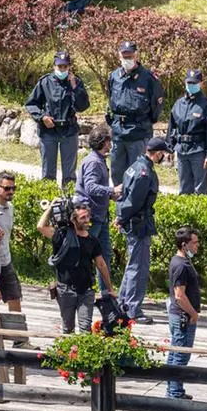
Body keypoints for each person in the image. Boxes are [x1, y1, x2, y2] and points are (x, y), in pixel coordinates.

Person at [37, 202, 116, 334]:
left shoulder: (92, 240)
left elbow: (101, 264)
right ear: (73, 220)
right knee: (68, 329)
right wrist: (51, 207)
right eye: (82, 218)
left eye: (87, 217)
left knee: (85, 330)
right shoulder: (62, 236)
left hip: (86, 291)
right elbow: (41, 226)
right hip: (65, 290)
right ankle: (67, 354)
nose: (87, 221)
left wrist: (110, 289)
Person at [114, 137, 166, 324]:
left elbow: (124, 195)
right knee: (139, 267)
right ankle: (133, 309)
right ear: (158, 153)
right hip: (139, 225)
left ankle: (123, 304)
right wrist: (121, 217)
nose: (163, 157)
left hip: (133, 223)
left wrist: (120, 216)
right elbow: (134, 201)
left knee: (132, 266)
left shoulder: (135, 166)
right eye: (163, 154)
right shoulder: (144, 173)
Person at [24, 51, 90, 186]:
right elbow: (31, 104)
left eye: (65, 66)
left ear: (69, 67)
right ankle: (48, 201)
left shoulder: (76, 82)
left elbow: (83, 106)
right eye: (60, 66)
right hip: (49, 131)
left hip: (69, 131)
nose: (62, 69)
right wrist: (42, 117)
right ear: (54, 66)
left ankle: (69, 203)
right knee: (48, 172)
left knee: (69, 175)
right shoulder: (44, 82)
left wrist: (75, 87)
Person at [0, 171, 36, 348]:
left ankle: (19, 340)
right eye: (7, 188)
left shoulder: (10, 208)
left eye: (13, 188)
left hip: (5, 261)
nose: (11, 192)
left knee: (15, 297)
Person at [106, 41, 164, 186]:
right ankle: (119, 204)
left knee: (138, 174)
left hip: (138, 133)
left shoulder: (149, 79)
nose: (127, 59)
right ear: (119, 55)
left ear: (136, 55)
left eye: (130, 56)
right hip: (119, 132)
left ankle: (136, 206)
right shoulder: (114, 77)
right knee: (117, 172)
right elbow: (111, 101)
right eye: (124, 56)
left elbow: (156, 107)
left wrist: (144, 124)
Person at [75, 125, 122, 294]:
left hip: (99, 215)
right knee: (88, 254)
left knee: (104, 255)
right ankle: (84, 289)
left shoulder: (98, 160)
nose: (110, 144)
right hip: (91, 216)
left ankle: (105, 292)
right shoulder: (94, 162)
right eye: (108, 140)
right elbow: (91, 187)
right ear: (104, 142)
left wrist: (110, 195)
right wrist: (112, 190)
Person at [167, 69, 207, 195]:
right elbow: (172, 127)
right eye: (189, 82)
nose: (191, 85)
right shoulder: (179, 104)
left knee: (200, 190)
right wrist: (170, 148)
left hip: (198, 151)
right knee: (184, 188)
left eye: (194, 83)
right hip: (181, 150)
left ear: (201, 84)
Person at [165, 226, 202, 399]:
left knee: (175, 353)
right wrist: (193, 314)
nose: (197, 246)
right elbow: (180, 295)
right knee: (180, 355)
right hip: (183, 316)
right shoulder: (180, 265)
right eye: (194, 243)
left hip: (179, 315)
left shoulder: (180, 261)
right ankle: (174, 393)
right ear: (183, 244)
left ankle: (174, 390)